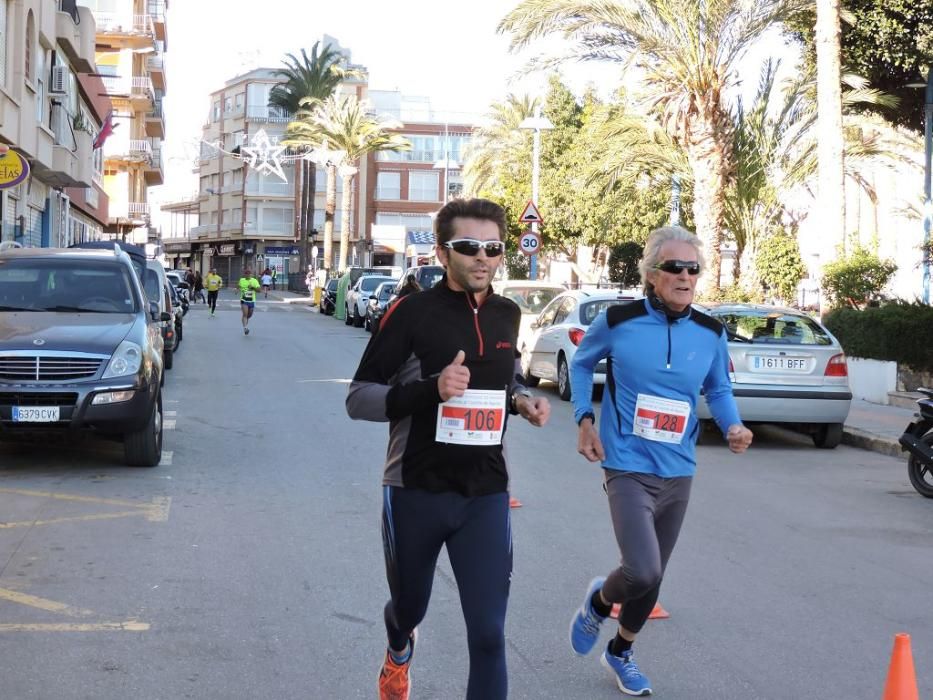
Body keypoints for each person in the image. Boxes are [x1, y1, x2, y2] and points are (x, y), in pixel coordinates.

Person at [346, 198, 552, 700]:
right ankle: (399, 646)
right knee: (409, 607)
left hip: (484, 493)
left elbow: (507, 378)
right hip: (415, 488)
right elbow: (359, 399)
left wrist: (522, 399)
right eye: (468, 247)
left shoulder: (507, 314)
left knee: (487, 634)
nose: (483, 257)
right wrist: (431, 390)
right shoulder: (411, 313)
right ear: (442, 253)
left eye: (493, 247)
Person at [568, 226, 754, 696]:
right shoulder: (619, 320)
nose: (685, 276)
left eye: (693, 268)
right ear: (652, 274)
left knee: (654, 577)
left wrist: (733, 424)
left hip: (679, 468)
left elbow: (718, 387)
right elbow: (581, 362)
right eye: (674, 267)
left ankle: (621, 651)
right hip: (627, 462)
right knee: (642, 570)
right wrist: (584, 418)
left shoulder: (711, 332)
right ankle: (598, 600)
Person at [237, 268, 261, 335]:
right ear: (244, 274)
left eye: (249, 273)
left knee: (249, 315)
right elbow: (238, 286)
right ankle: (245, 328)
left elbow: (259, 290)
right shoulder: (242, 280)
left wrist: (253, 287)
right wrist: (237, 289)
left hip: (251, 300)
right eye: (246, 273)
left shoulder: (254, 281)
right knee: (245, 314)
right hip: (244, 300)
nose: (248, 275)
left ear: (251, 274)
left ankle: (245, 321)